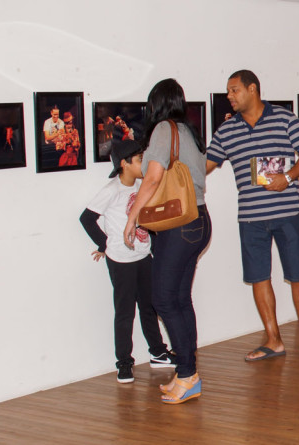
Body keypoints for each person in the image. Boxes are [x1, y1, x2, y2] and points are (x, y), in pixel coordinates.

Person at [205, 70, 299, 361]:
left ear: (252, 89)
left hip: (287, 214)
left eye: (234, 90)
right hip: (250, 217)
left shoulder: (284, 118)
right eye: (228, 91)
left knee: (298, 274)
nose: (229, 96)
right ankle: (273, 340)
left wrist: (289, 176)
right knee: (259, 277)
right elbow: (203, 165)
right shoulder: (227, 130)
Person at [124, 78, 210, 404]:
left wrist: (133, 216)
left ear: (156, 104)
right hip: (199, 221)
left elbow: (155, 177)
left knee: (162, 299)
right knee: (178, 299)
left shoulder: (163, 130)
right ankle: (188, 373)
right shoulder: (189, 131)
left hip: (179, 226)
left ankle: (187, 373)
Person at [80, 139, 175, 384]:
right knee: (124, 312)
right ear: (124, 163)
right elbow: (87, 218)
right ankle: (124, 363)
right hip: (120, 260)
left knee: (149, 307)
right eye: (140, 159)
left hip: (143, 256)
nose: (144, 163)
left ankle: (157, 352)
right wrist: (104, 245)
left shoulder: (143, 186)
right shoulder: (111, 190)